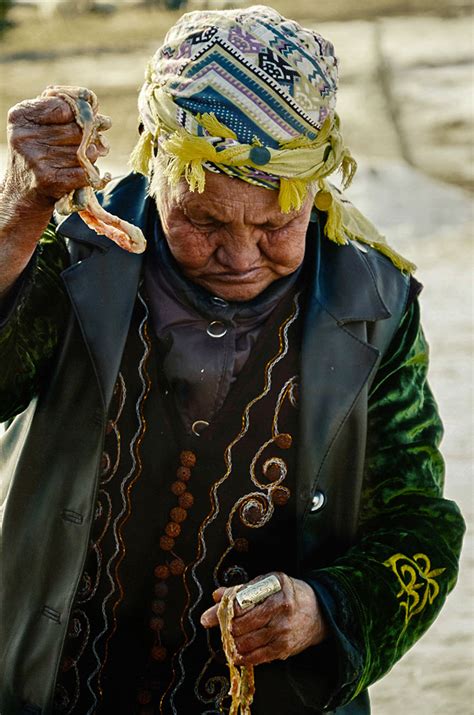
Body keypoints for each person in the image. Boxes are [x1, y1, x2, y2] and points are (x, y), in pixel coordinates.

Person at [0, 6, 465, 715]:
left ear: (318, 189)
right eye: (204, 220)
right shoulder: (79, 256)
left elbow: (418, 526)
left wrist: (321, 608)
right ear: (155, 165)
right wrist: (16, 220)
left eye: (278, 223)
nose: (242, 257)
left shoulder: (376, 309)